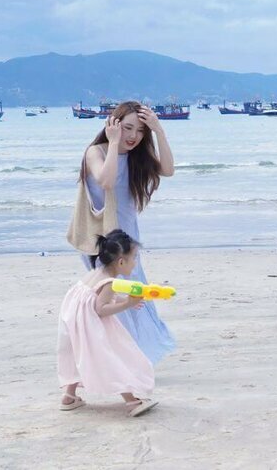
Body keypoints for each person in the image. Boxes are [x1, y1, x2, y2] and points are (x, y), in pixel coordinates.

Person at [77, 101, 176, 364]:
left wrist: (159, 131)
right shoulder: (95, 152)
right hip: (102, 241)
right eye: (128, 128)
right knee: (110, 297)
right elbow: (106, 180)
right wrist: (112, 143)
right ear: (113, 124)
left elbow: (168, 170)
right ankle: (120, 359)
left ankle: (135, 357)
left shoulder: (137, 156)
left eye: (141, 130)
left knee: (135, 297)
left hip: (128, 240)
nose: (133, 136)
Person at [57, 229, 159, 417]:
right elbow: (100, 308)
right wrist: (127, 304)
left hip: (72, 315)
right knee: (110, 355)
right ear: (121, 262)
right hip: (89, 321)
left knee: (74, 353)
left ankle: (69, 397)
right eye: (134, 258)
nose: (135, 263)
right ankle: (131, 401)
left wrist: (123, 299)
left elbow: (95, 295)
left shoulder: (97, 272)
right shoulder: (110, 282)